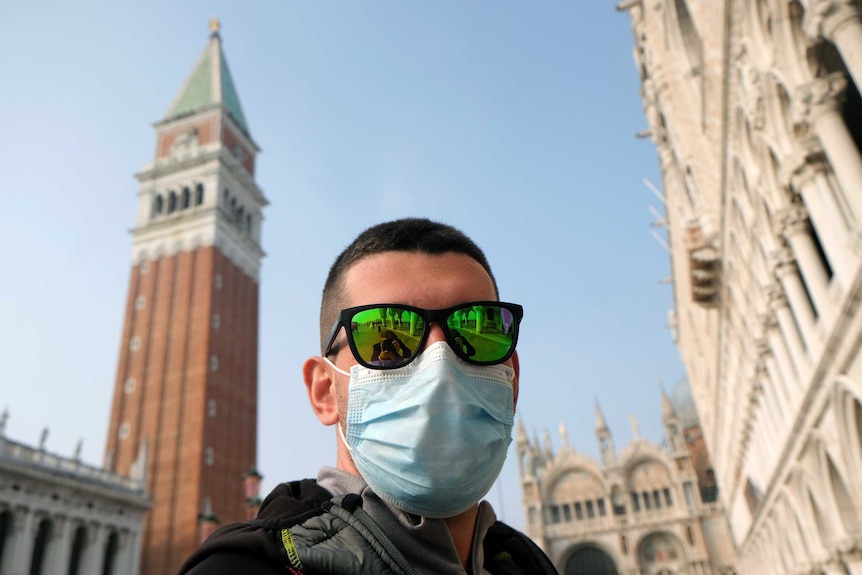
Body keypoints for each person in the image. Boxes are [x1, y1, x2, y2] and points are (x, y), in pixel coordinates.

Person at [178, 218, 558, 575]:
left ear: (511, 380)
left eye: (476, 333)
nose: (441, 366)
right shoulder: (246, 567)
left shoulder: (528, 564)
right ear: (325, 390)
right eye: (386, 339)